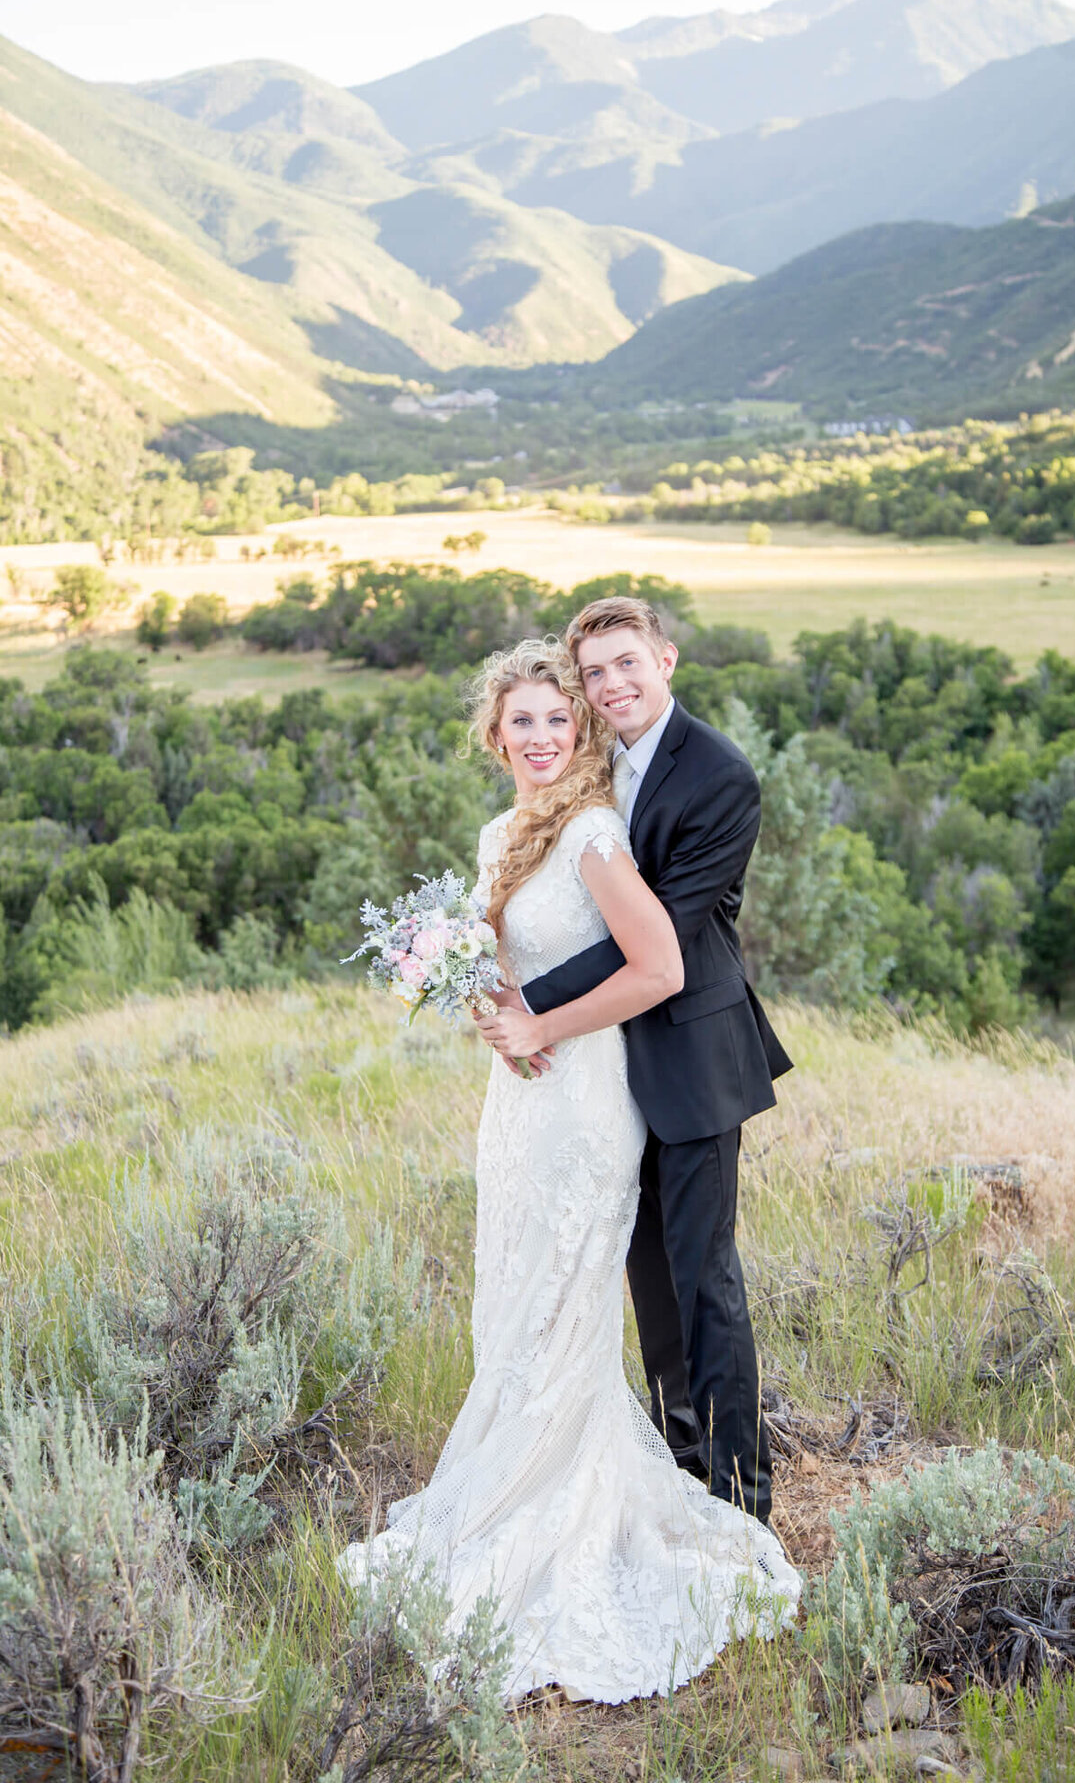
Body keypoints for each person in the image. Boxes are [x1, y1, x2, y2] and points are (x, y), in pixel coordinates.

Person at [338, 637, 799, 1704]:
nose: (545, 735)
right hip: (522, 1102)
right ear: (493, 737)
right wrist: (474, 996)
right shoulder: (503, 831)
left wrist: (538, 1020)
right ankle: (513, 1480)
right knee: (522, 1293)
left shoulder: (599, 831)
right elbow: (494, 966)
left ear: (581, 726)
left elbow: (663, 961)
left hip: (594, 1092)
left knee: (630, 1287)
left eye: (560, 718)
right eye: (525, 722)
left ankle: (704, 1496)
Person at [479, 598, 791, 1528]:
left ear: (667, 659)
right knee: (650, 1287)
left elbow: (664, 947)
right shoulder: (588, 761)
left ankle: (741, 1500)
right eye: (597, 673)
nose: (613, 685)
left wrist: (531, 1003)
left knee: (704, 1283)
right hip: (601, 1074)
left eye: (629, 664)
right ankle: (674, 1470)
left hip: (689, 1055)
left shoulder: (719, 777)